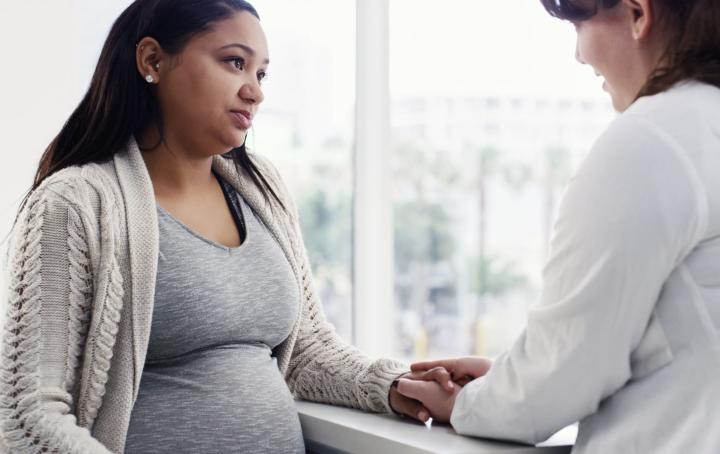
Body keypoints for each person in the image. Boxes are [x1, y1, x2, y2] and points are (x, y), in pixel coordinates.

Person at [0, 1, 450, 452]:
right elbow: (27, 414)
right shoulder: (75, 203)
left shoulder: (261, 188)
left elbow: (307, 350)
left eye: (261, 73)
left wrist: (397, 386)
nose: (254, 91)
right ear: (152, 61)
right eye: (235, 62)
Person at [399, 0, 720, 452]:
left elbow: (563, 374)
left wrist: (467, 403)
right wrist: (515, 375)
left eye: (579, 26)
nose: (580, 56)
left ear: (637, 13)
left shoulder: (653, 141)